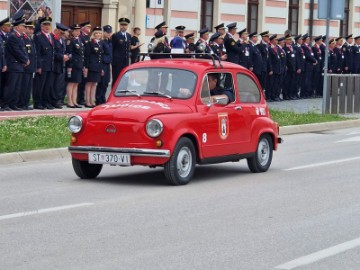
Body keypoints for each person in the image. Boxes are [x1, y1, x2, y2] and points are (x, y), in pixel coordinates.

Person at [1, 18, 29, 111]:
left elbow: (23, 50)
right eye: (23, 26)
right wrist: (25, 60)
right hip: (13, 65)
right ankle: (5, 104)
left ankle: (13, 103)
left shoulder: (19, 36)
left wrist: (25, 59)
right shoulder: (13, 37)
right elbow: (16, 51)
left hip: (19, 65)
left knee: (17, 87)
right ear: (17, 27)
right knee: (11, 86)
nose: (24, 28)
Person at [33, 16, 55, 109]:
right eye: (45, 25)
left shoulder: (51, 36)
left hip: (50, 65)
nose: (47, 26)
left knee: (47, 85)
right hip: (42, 65)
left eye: (48, 25)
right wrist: (39, 66)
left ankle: (45, 102)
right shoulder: (38, 36)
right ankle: (38, 102)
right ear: (41, 26)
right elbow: (37, 52)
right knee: (40, 85)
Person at [65, 23, 84, 108]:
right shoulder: (70, 41)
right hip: (73, 65)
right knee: (71, 83)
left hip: (79, 65)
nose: (77, 32)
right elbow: (69, 54)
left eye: (79, 31)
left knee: (76, 84)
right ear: (72, 32)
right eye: (75, 31)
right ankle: (70, 101)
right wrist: (69, 66)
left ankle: (74, 101)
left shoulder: (79, 40)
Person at [84, 26, 103, 108]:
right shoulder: (90, 43)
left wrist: (101, 68)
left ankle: (92, 100)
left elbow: (100, 56)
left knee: (94, 84)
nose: (98, 35)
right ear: (93, 34)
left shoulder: (100, 43)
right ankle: (87, 101)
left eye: (99, 33)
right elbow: (87, 56)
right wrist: (86, 67)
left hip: (98, 67)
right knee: (89, 83)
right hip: (91, 66)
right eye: (96, 33)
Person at [19, 21, 36, 110]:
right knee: (24, 86)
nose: (31, 31)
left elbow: (33, 54)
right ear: (25, 29)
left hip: (31, 67)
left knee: (28, 86)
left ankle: (26, 102)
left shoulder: (30, 39)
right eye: (30, 29)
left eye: (32, 29)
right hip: (25, 66)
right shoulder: (23, 39)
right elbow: (24, 52)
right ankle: (22, 103)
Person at [52, 23, 70, 108]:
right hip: (55, 65)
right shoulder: (53, 39)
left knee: (60, 84)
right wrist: (61, 56)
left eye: (62, 34)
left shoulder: (62, 40)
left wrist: (66, 56)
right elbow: (52, 53)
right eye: (60, 33)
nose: (61, 35)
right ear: (56, 31)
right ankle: (54, 101)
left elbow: (63, 51)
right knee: (55, 84)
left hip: (62, 65)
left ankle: (59, 100)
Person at [96, 25, 112, 105]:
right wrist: (101, 67)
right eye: (107, 32)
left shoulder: (109, 42)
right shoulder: (102, 42)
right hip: (103, 64)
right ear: (104, 32)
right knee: (101, 83)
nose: (108, 34)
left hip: (108, 64)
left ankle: (103, 97)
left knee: (106, 82)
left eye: (110, 32)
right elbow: (101, 55)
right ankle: (98, 99)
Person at [112, 17, 131, 86]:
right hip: (117, 62)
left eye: (125, 25)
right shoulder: (115, 36)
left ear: (127, 26)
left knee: (125, 78)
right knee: (116, 79)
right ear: (119, 25)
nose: (123, 27)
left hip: (125, 61)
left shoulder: (128, 36)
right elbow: (112, 49)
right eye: (122, 25)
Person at [77, 21, 92, 105]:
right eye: (87, 27)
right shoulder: (81, 37)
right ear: (83, 28)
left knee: (84, 81)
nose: (89, 29)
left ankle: (82, 98)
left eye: (90, 27)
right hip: (82, 61)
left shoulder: (88, 37)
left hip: (87, 61)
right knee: (81, 82)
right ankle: (80, 98)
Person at [301, 33, 317, 98]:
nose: (309, 40)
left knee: (309, 80)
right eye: (307, 39)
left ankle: (308, 93)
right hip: (307, 65)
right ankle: (304, 93)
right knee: (306, 80)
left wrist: (314, 60)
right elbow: (308, 55)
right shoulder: (304, 47)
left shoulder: (308, 46)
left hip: (310, 65)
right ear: (305, 40)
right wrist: (314, 60)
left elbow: (311, 54)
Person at [283, 34, 297, 100]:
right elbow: (285, 59)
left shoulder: (292, 47)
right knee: (286, 82)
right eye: (289, 39)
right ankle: (285, 95)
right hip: (288, 68)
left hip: (293, 68)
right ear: (286, 40)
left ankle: (290, 94)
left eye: (291, 39)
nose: (291, 41)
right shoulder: (284, 48)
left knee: (292, 82)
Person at [293, 34, 304, 99]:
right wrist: (299, 67)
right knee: (296, 81)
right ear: (297, 40)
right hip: (298, 67)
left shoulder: (300, 47)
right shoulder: (295, 47)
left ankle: (297, 93)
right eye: (300, 39)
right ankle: (295, 93)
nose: (302, 40)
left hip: (301, 67)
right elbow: (297, 59)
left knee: (299, 81)